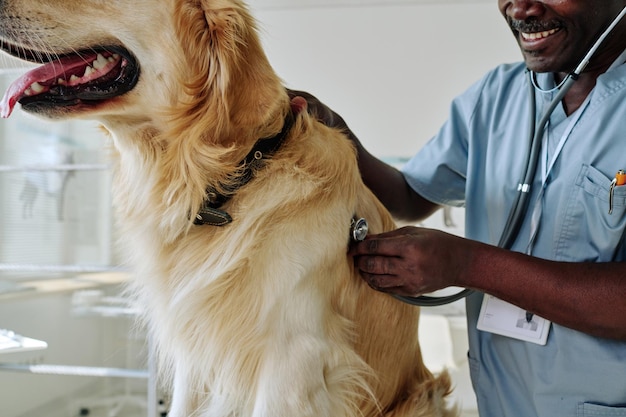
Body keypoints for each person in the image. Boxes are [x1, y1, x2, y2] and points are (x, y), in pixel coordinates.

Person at [291, 1, 626, 416]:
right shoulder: (496, 96)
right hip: (503, 403)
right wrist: (334, 129)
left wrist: (466, 264)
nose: (520, 8)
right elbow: (409, 197)